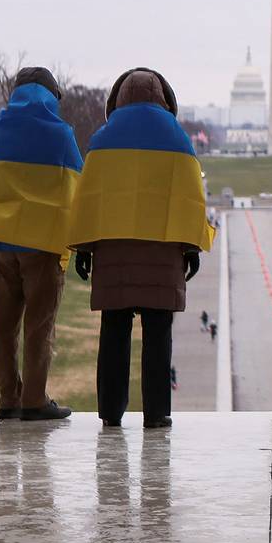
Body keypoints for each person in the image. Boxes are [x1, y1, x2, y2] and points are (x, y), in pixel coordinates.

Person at [69, 68, 214, 430]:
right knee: (158, 335)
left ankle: (111, 412)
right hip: (161, 254)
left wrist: (84, 248)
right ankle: (156, 413)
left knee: (113, 332)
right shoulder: (177, 138)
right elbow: (190, 200)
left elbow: (88, 200)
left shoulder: (103, 139)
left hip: (114, 252)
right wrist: (191, 247)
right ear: (164, 97)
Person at [0, 66, 83, 422]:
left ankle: (8, 398)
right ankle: (35, 399)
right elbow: (76, 190)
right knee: (40, 325)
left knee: (3, 326)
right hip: (43, 244)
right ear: (53, 96)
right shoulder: (61, 134)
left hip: (2, 242)